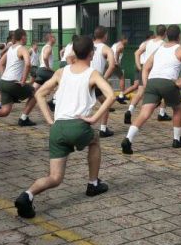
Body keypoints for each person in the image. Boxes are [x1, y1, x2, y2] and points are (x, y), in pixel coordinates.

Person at [14, 35, 115, 219]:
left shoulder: (61, 72)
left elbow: (40, 94)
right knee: (95, 141)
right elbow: (110, 96)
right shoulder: (92, 73)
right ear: (92, 54)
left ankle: (27, 195)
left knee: (55, 178)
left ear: (73, 52)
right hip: (78, 125)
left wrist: (49, 120)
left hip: (57, 128)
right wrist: (94, 118)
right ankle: (93, 183)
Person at [121, 24, 181, 154]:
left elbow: (145, 67)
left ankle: (128, 139)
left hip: (152, 82)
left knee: (144, 113)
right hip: (168, 82)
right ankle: (177, 140)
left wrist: (146, 82)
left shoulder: (159, 49)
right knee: (177, 109)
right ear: (179, 36)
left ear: (167, 36)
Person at [0, 29, 37, 123]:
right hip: (13, 83)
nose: (27, 39)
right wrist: (23, 80)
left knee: (5, 111)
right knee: (35, 93)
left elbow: (1, 63)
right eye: (26, 36)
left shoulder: (11, 49)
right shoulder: (22, 48)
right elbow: (28, 64)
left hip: (4, 82)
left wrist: (4, 76)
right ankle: (24, 118)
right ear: (23, 37)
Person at [125, 28, 167, 125]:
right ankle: (161, 112)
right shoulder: (163, 44)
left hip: (144, 67)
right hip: (155, 69)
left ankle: (129, 110)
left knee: (139, 93)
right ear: (165, 33)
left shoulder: (148, 42)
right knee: (163, 92)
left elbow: (137, 53)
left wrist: (139, 66)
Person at [91, 26, 117, 137]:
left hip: (84, 78)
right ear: (105, 35)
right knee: (107, 102)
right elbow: (112, 66)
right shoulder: (106, 48)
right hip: (96, 80)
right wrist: (103, 79)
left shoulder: (87, 45)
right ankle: (103, 129)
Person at [121, 31, 154, 105]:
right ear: (151, 37)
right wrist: (140, 67)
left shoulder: (143, 43)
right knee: (143, 87)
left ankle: (121, 95)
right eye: (153, 36)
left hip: (138, 65)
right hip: (143, 66)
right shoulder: (150, 43)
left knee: (136, 86)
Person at [112, 34, 129, 104]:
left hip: (109, 62)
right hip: (114, 63)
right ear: (123, 40)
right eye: (126, 39)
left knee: (105, 78)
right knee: (122, 78)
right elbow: (117, 52)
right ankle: (121, 95)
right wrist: (116, 61)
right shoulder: (121, 46)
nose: (127, 41)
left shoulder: (115, 44)